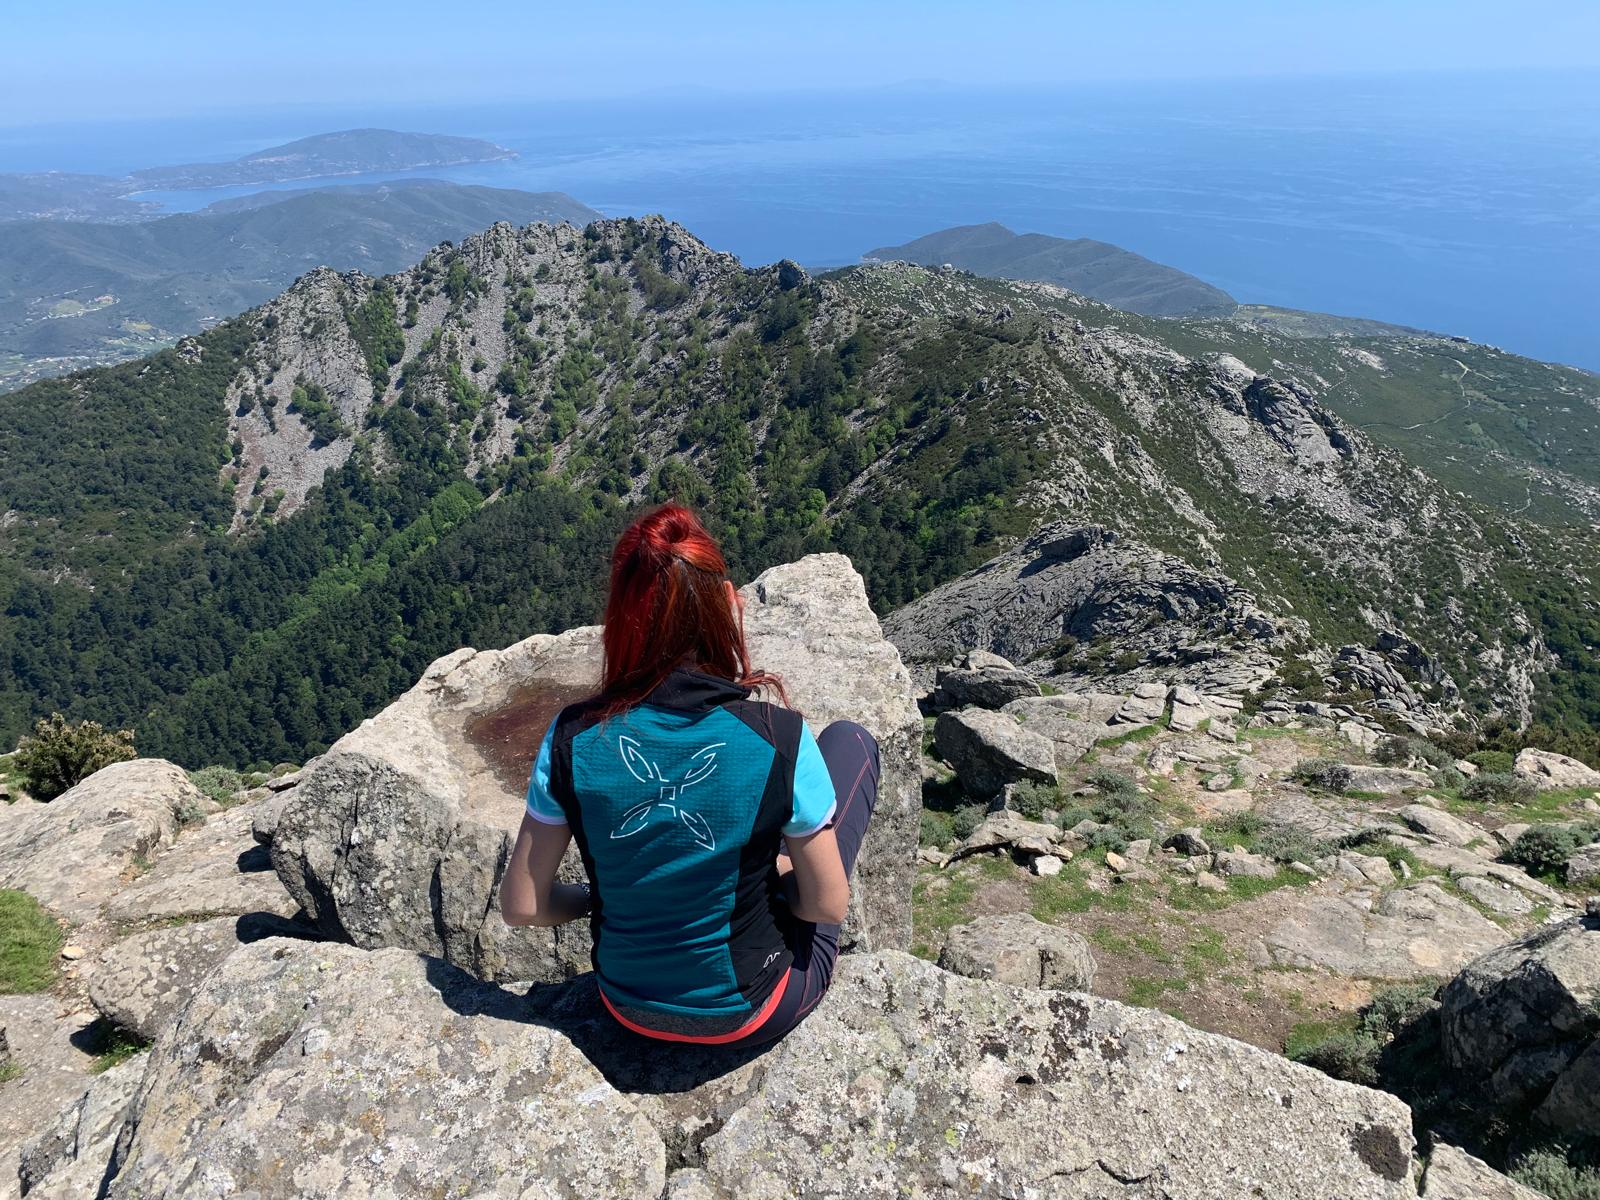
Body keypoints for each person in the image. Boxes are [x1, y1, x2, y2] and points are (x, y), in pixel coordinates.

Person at [499, 503, 879, 1047]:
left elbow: (524, 905)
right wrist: (770, 881)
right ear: (727, 605)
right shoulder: (779, 737)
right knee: (852, 743)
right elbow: (825, 905)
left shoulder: (571, 738)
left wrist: (600, 894)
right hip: (751, 1009)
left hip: (624, 1006)